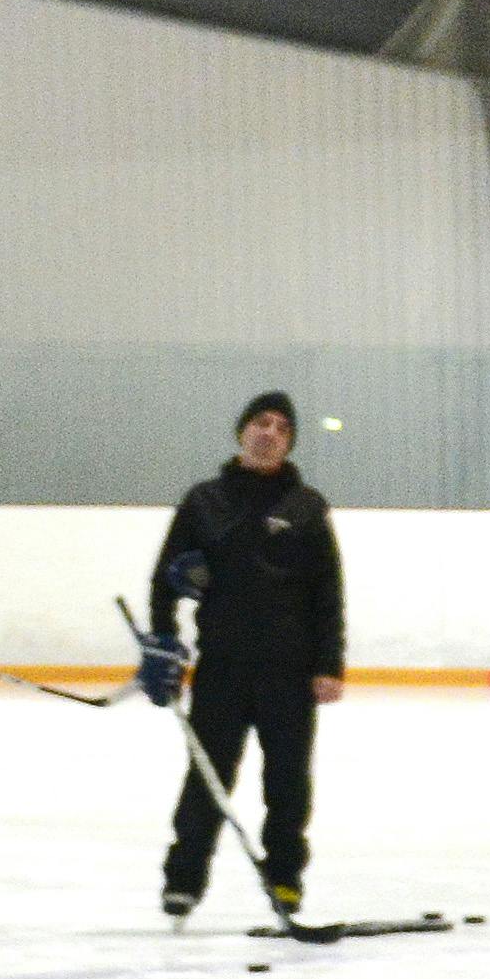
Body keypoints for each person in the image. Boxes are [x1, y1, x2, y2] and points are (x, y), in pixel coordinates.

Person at [138, 386, 346, 926]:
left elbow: (328, 590)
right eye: (261, 422)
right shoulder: (204, 501)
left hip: (291, 672)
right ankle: (183, 881)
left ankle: (285, 879)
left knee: (288, 785)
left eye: (281, 427)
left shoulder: (306, 507)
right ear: (241, 432)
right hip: (223, 668)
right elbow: (167, 577)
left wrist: (329, 663)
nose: (269, 432)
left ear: (291, 442)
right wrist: (163, 642)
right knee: (207, 779)